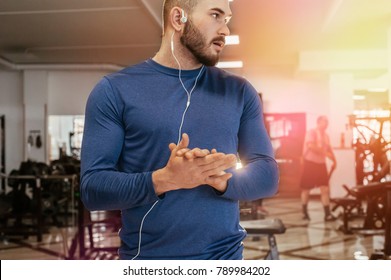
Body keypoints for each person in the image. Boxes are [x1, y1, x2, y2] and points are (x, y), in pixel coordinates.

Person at [80, 0, 279, 260]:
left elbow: (268, 176)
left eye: (227, 19)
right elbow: (93, 189)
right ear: (178, 18)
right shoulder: (114, 91)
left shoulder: (240, 92)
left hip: (225, 261)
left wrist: (221, 180)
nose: (226, 31)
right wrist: (166, 179)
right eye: (216, 15)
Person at [300, 115, 337, 221]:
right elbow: (311, 146)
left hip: (321, 164)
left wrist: (334, 161)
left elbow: (329, 149)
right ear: (319, 122)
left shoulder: (326, 136)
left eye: (327, 122)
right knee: (306, 189)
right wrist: (325, 153)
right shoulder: (311, 132)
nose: (326, 124)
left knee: (325, 188)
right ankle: (304, 212)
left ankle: (327, 214)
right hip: (310, 163)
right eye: (324, 122)